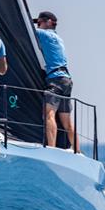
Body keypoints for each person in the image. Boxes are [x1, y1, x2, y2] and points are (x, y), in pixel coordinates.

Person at [34, 11, 79, 152]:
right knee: (66, 121)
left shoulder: (44, 34)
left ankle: (51, 150)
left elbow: (24, 29)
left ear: (47, 22)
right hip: (66, 79)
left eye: (39, 22)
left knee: (49, 114)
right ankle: (78, 151)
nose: (38, 25)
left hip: (56, 80)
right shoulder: (57, 37)